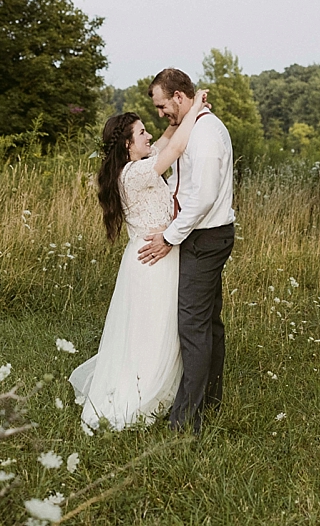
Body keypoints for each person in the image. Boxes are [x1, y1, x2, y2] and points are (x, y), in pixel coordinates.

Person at [69, 89, 212, 433]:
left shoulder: (137, 166)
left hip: (153, 257)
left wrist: (175, 120)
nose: (149, 135)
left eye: (148, 129)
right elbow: (175, 148)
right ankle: (143, 393)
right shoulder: (136, 174)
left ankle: (161, 387)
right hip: (152, 262)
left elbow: (165, 141)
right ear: (128, 146)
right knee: (152, 332)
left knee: (153, 330)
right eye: (141, 133)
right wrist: (195, 110)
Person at [137, 67, 235, 433]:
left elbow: (203, 199)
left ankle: (185, 422)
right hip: (200, 235)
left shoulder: (207, 135)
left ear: (179, 97)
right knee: (208, 322)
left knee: (193, 327)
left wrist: (169, 236)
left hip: (205, 238)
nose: (160, 114)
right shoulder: (190, 128)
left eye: (163, 106)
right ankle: (209, 402)